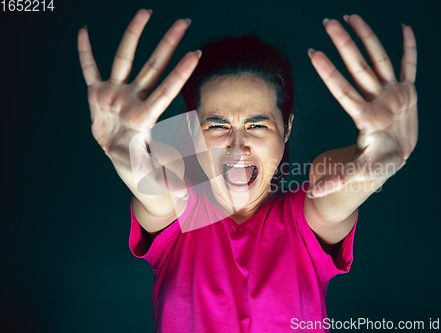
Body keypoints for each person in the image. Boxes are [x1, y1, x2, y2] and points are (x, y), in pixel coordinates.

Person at [77, 8, 417, 332]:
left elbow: (339, 185)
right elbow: (153, 187)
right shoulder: (177, 213)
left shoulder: (306, 219)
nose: (237, 146)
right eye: (218, 126)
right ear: (193, 133)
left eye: (257, 125)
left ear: (286, 129)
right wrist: (127, 153)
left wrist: (379, 162)